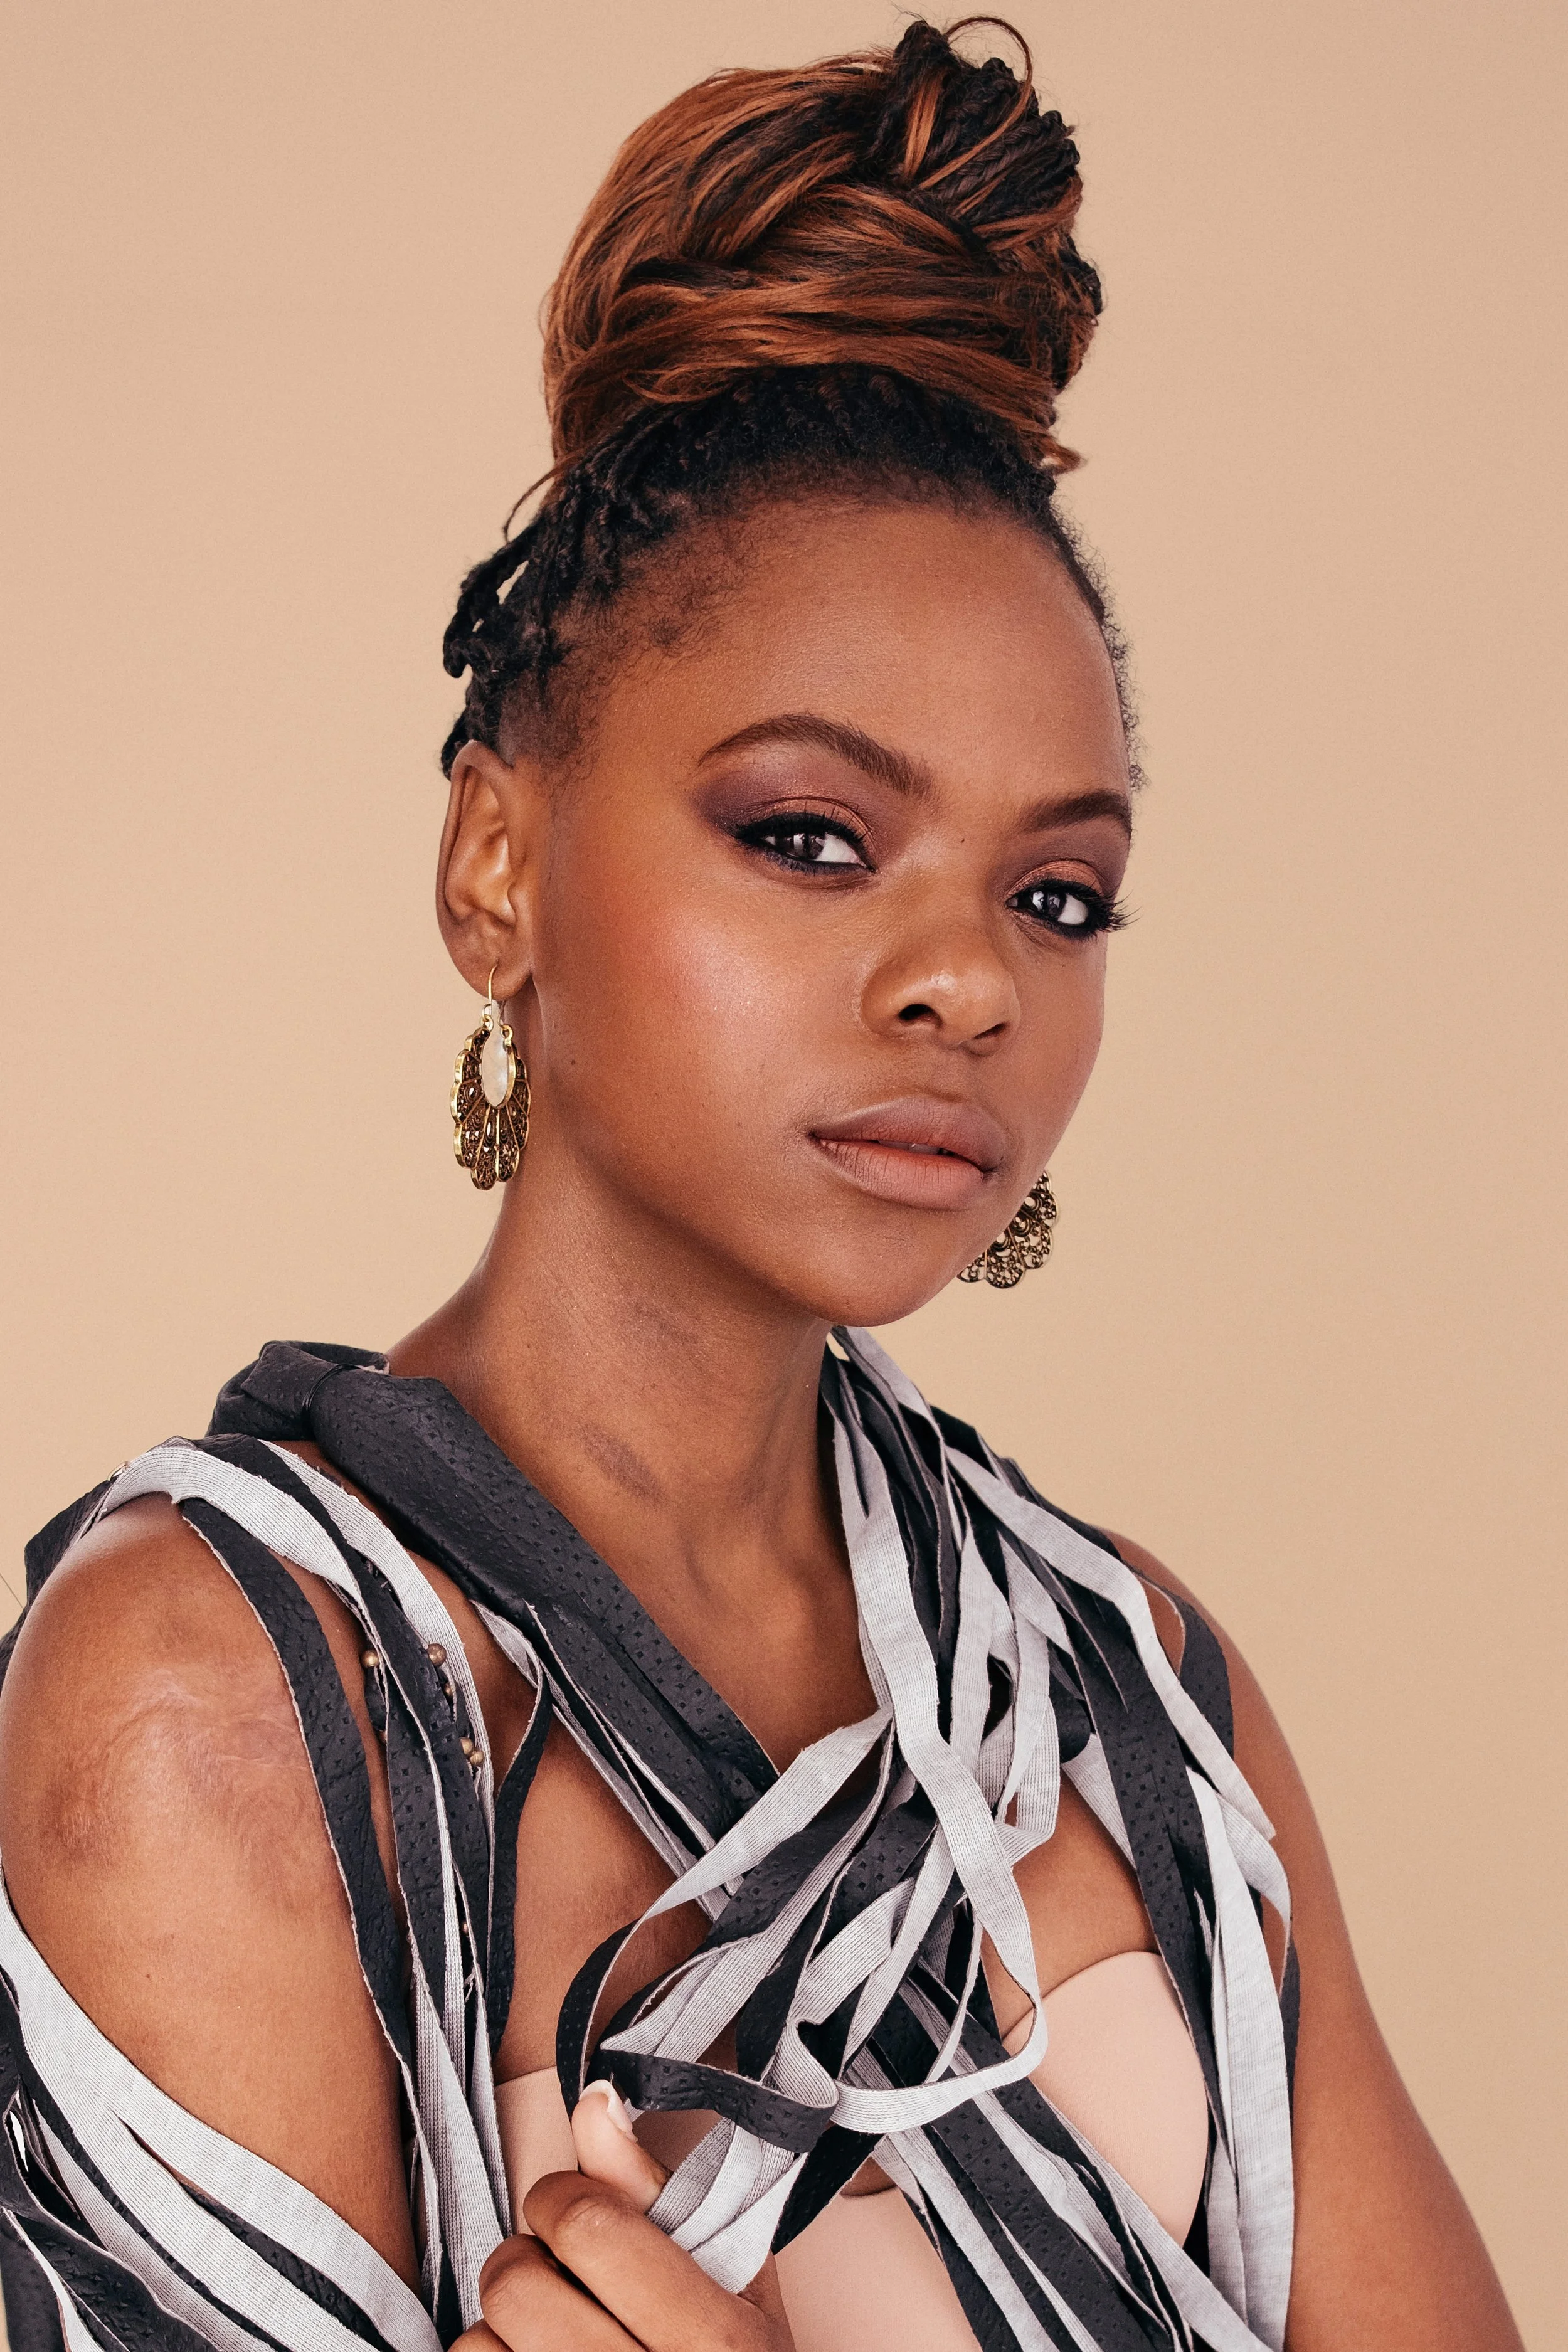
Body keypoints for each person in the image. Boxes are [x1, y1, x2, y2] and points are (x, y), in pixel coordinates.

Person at [0, 19, 1522, 2352]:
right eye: (809, 835)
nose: (964, 985)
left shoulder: (1120, 1681)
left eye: (1059, 894)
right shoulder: (226, 1700)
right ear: (495, 860)